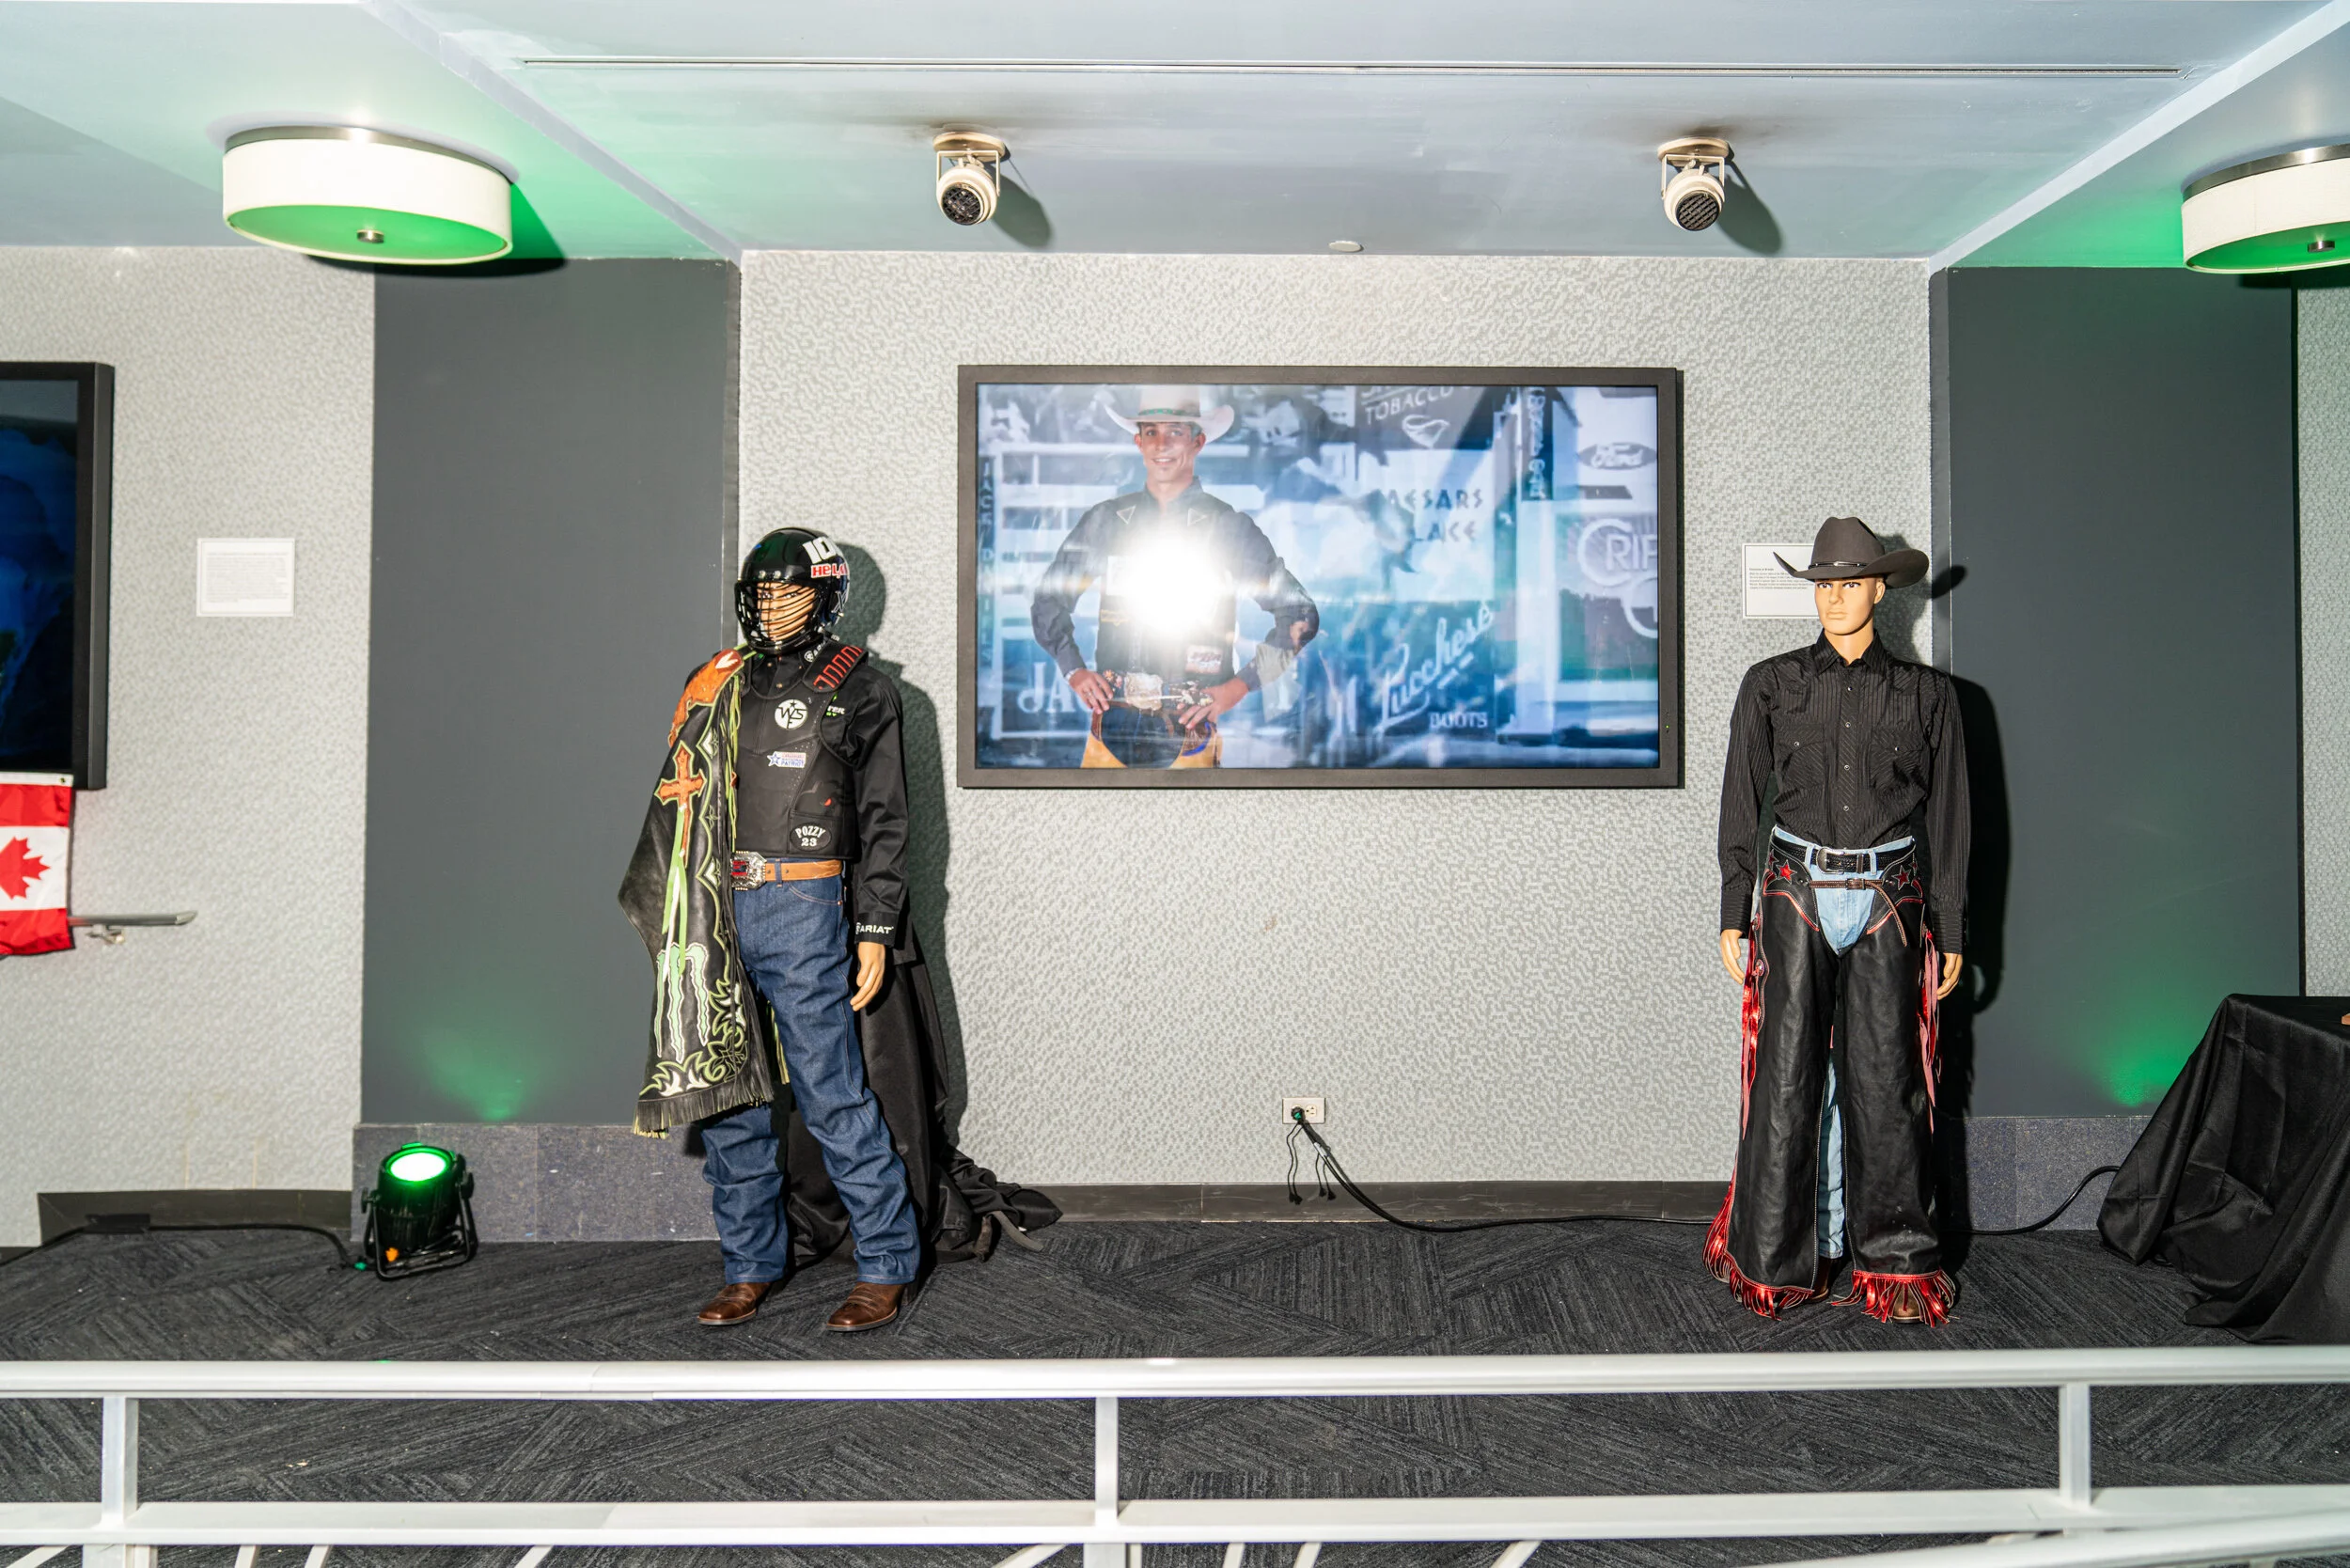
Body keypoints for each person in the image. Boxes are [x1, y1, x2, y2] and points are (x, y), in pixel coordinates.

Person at [618, 527, 920, 1331]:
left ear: (827, 598)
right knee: (728, 1093)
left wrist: (875, 926)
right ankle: (750, 1264)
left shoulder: (864, 690)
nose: (775, 607)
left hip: (804, 903)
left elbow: (886, 822)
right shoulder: (716, 679)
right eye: (763, 593)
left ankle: (886, 1263)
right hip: (713, 901)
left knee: (830, 1089)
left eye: (792, 593)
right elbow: (678, 797)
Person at [1710, 516, 1969, 1325]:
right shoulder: (1771, 684)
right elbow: (1740, 800)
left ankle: (1895, 1266)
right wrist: (1734, 908)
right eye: (1824, 585)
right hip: (1794, 892)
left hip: (1893, 897)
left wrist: (1953, 928)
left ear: (1880, 589)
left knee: (1889, 1082)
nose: (1833, 599)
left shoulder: (1929, 696)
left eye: (1850, 583)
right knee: (1788, 1079)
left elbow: (1953, 819)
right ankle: (1782, 1258)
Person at [1028, 385, 1320, 768]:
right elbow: (1049, 598)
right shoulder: (1106, 521)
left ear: (1198, 442)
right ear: (1138, 442)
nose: (1161, 444)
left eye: (1175, 432)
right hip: (1111, 722)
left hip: (1189, 727)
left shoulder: (1227, 526)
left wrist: (1238, 687)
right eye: (1151, 432)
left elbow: (1300, 614)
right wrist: (1073, 669)